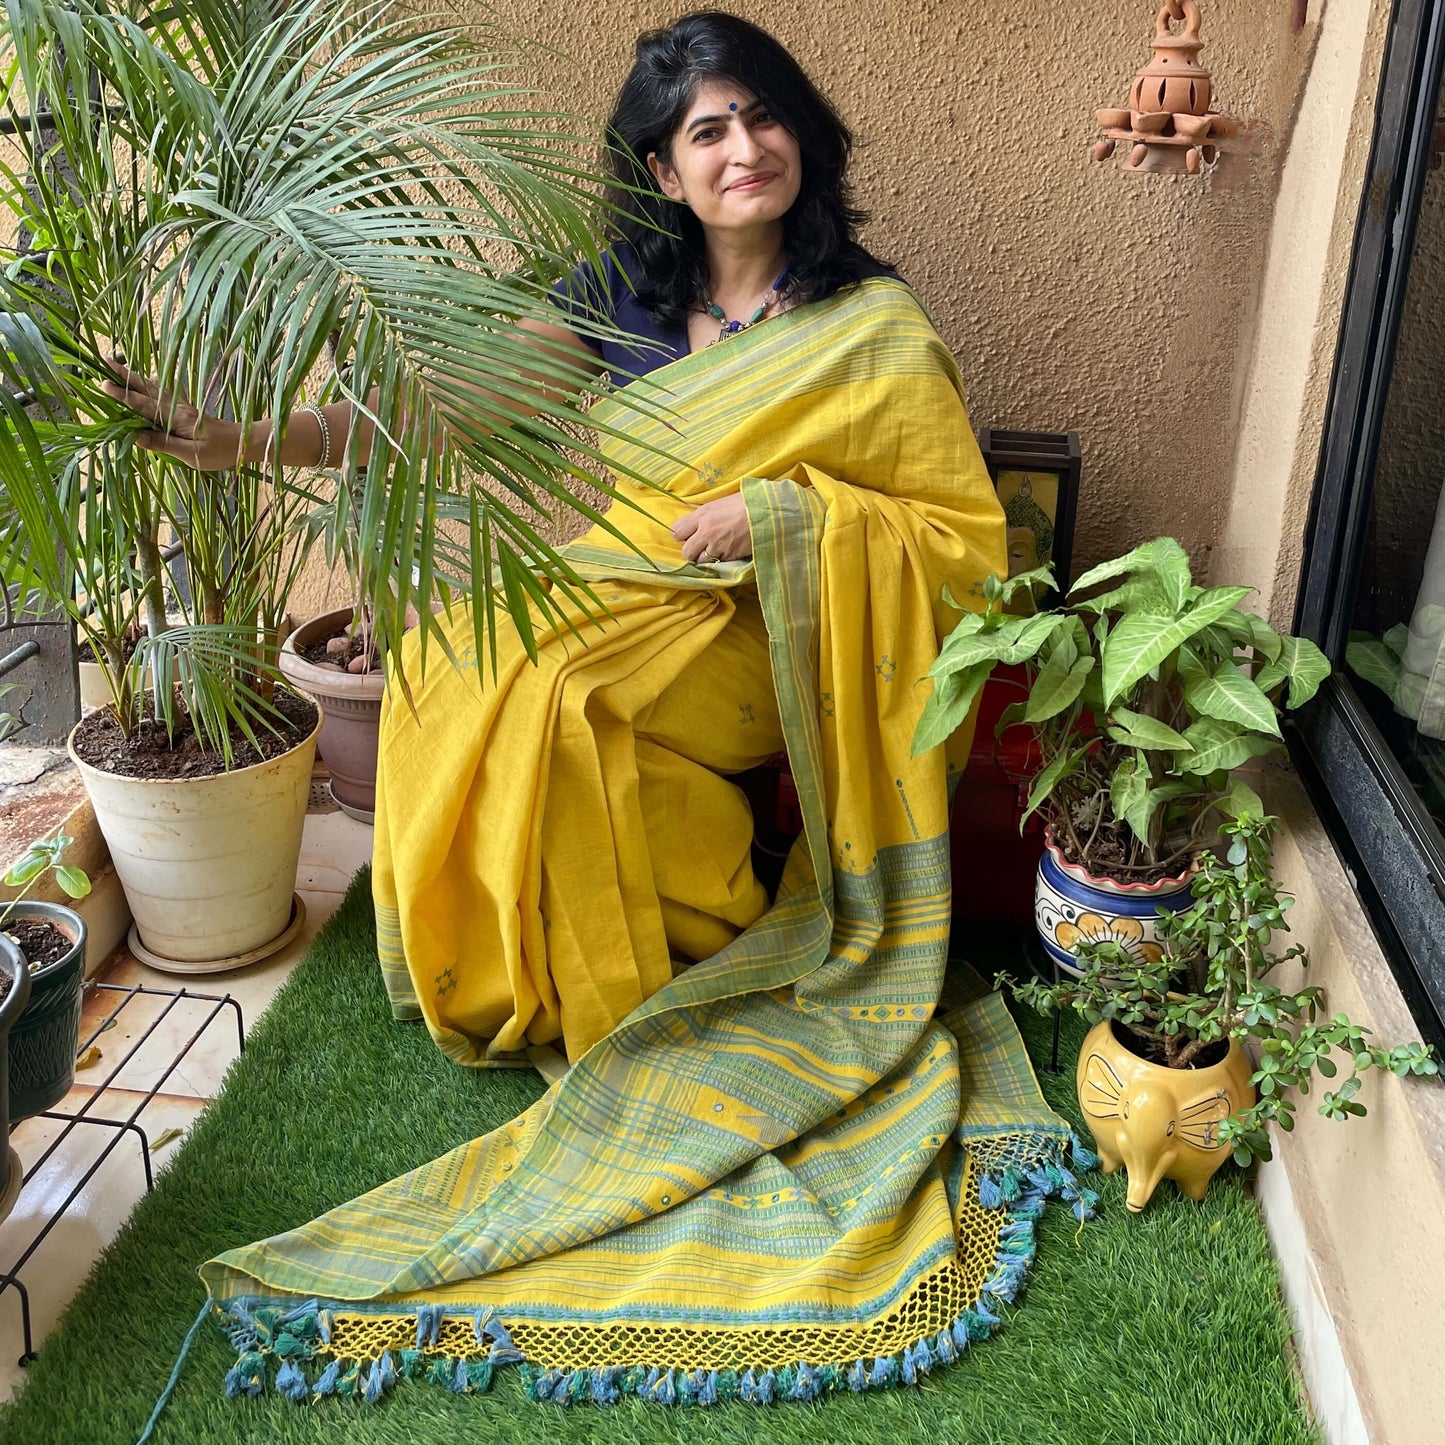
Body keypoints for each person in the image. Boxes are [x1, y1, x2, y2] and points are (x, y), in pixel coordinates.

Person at [124, 13, 1083, 1413]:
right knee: (466, 645)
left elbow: (957, 538)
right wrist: (243, 438)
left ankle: (655, 978)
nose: (741, 148)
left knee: (565, 688)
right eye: (706, 130)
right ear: (662, 166)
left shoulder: (868, 323)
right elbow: (429, 409)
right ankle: (547, 968)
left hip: (773, 632)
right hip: (631, 581)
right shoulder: (617, 293)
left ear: (802, 139)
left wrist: (780, 517)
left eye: (761, 118)